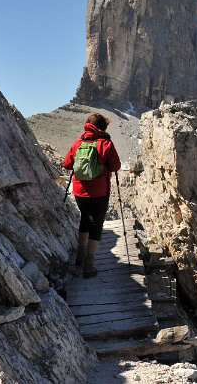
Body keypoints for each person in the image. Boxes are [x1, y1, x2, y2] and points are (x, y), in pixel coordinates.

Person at [63, 113, 121, 278]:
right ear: (103, 127)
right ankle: (88, 266)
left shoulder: (78, 142)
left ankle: (79, 259)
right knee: (96, 225)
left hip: (79, 191)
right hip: (99, 192)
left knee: (84, 219)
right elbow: (116, 166)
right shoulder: (105, 143)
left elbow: (67, 164)